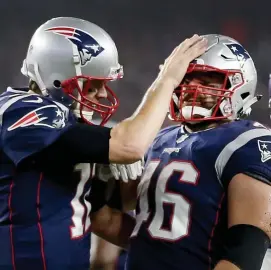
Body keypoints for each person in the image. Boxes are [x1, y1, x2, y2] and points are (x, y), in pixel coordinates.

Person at [0, 15, 207, 270]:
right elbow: (130, 146)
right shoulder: (19, 110)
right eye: (92, 84)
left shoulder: (68, 125)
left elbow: (101, 218)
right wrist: (167, 80)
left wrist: (171, 254)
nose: (101, 94)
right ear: (57, 77)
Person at [95, 34, 271, 270]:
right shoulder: (158, 139)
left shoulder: (249, 142)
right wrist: (96, 176)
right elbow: (125, 228)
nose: (193, 88)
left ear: (239, 85)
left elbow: (243, 254)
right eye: (187, 79)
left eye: (209, 81)